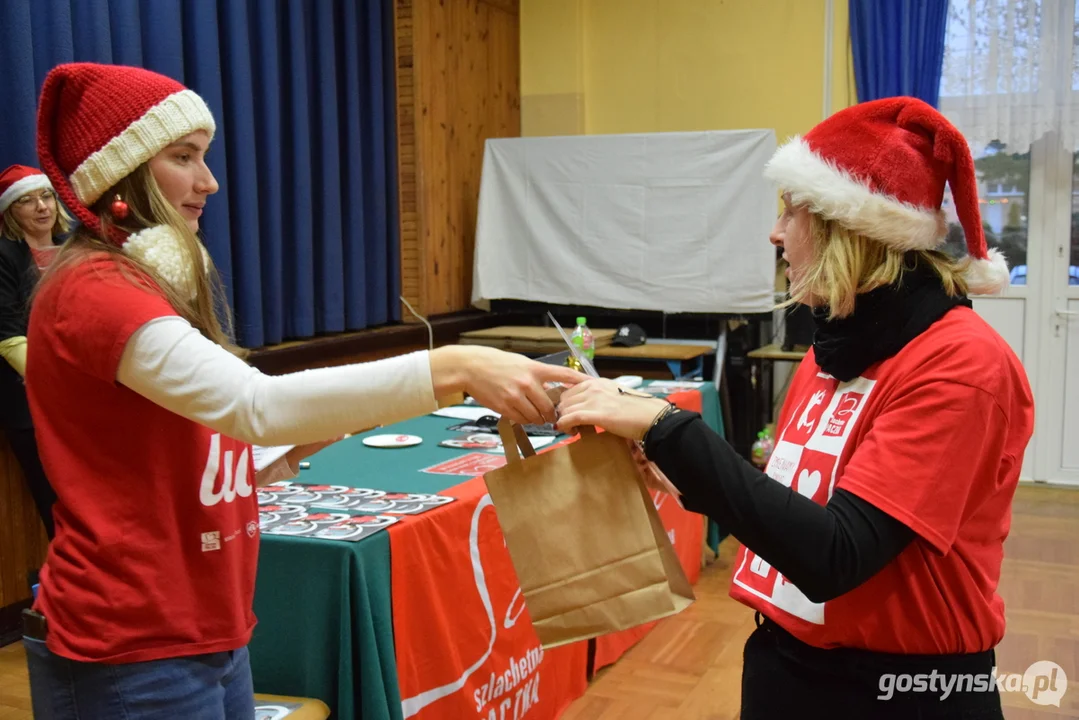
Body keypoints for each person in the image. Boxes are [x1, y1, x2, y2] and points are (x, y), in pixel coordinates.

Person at [23, 62, 583, 720]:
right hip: (134, 647)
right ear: (122, 178)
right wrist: (452, 367)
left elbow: (210, 450)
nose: (210, 183)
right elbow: (255, 408)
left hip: (206, 632)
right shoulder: (94, 293)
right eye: (184, 158)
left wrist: (333, 425)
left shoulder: (136, 287)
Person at [555, 97, 1034, 720]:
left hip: (898, 693)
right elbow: (798, 506)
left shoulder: (962, 365)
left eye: (792, 209)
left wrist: (663, 423)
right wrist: (685, 475)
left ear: (849, 229)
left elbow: (835, 555)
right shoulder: (837, 345)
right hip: (793, 670)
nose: (775, 232)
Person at [0, 164, 73, 540]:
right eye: (27, 201)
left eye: (46, 196)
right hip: (32, 399)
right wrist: (53, 384)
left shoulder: (75, 246)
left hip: (84, 391)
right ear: (11, 212)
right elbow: (8, 330)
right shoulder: (4, 256)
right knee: (57, 504)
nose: (42, 207)